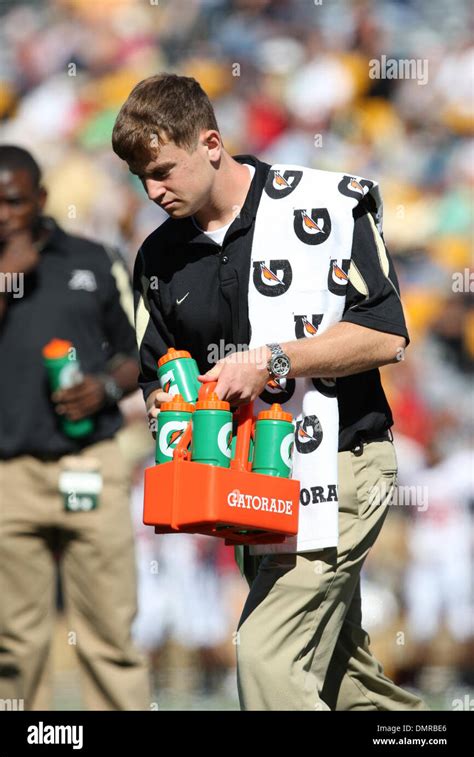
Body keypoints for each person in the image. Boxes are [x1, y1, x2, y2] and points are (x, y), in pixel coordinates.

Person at [112, 73, 426, 711]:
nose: (153, 191)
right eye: (141, 178)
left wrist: (275, 360)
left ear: (211, 143)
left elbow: (388, 335)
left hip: (339, 460)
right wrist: (173, 417)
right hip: (245, 486)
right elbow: (154, 379)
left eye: (165, 170)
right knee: (340, 679)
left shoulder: (328, 203)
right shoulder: (157, 258)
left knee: (266, 655)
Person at [0, 146, 150, 710]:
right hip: (8, 474)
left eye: (12, 201)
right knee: (14, 642)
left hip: (91, 462)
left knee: (110, 632)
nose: (2, 215)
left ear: (40, 199)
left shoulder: (94, 257)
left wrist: (106, 387)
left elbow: (143, 353)